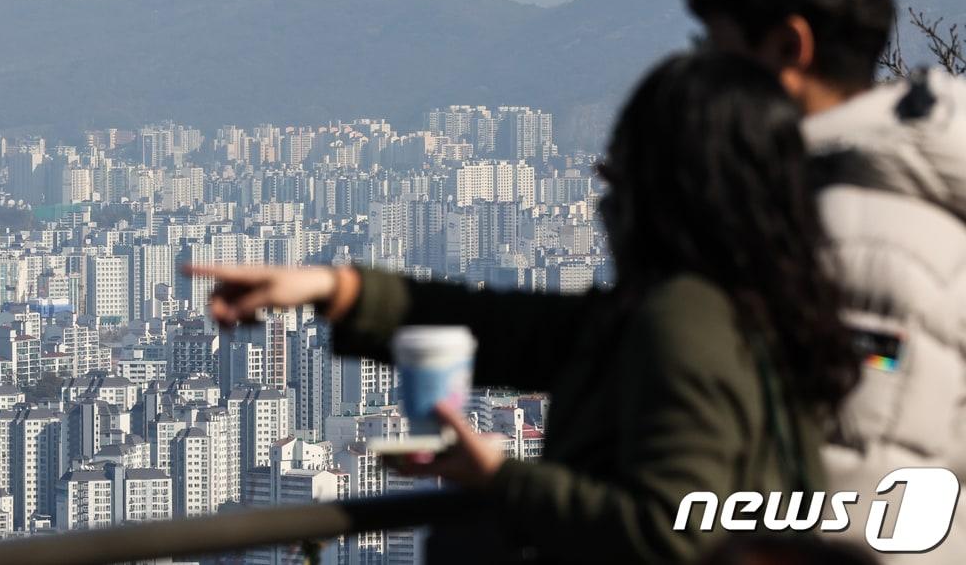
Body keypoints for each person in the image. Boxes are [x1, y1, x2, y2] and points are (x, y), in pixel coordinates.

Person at [188, 52, 857, 563]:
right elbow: (504, 328)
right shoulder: (739, 302)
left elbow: (671, 529)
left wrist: (500, 479)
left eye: (621, 167)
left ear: (671, 188)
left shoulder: (684, 319)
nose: (604, 188)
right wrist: (333, 289)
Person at [685, 0, 966, 559]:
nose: (703, 79)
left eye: (718, 51)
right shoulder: (859, 198)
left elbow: (862, 497)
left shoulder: (854, 239)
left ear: (790, 48)